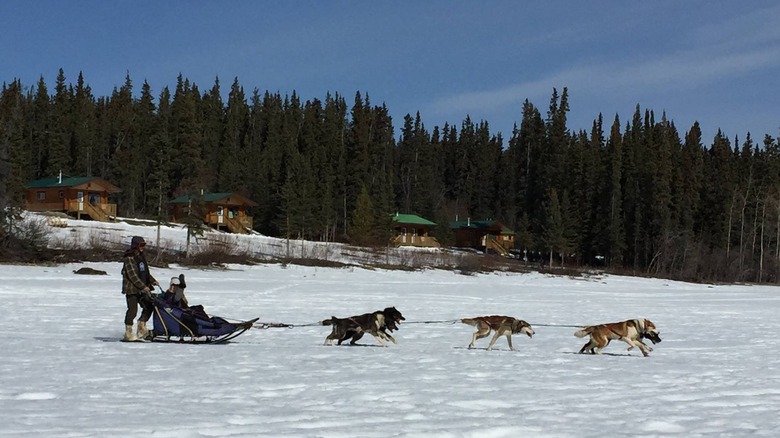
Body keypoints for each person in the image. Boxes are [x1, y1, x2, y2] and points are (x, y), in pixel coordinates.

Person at [121, 236, 158, 341]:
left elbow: (144, 272)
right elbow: (132, 275)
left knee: (149, 306)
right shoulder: (129, 258)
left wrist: (152, 280)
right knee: (132, 310)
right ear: (136, 245)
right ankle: (128, 333)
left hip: (142, 289)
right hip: (132, 289)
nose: (143, 247)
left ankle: (141, 327)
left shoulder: (141, 256)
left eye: (144, 245)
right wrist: (143, 286)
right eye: (141, 245)